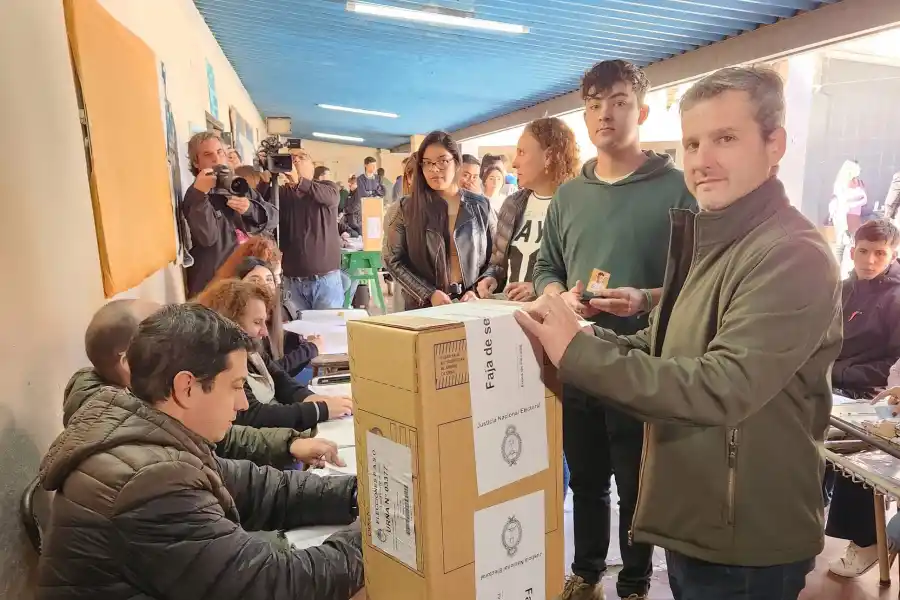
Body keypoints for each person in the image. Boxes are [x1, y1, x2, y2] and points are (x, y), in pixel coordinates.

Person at [516, 66, 842, 600]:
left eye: (726, 138)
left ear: (775, 143)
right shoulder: (716, 237)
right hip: (700, 517)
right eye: (692, 142)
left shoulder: (790, 254)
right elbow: (661, 344)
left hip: (746, 537)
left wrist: (578, 352)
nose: (702, 159)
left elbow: (720, 386)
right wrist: (575, 340)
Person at [37, 303, 364, 599]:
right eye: (235, 386)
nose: (242, 403)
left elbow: (258, 488)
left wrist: (359, 494)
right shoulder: (148, 482)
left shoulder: (155, 435)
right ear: (187, 388)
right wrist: (379, 535)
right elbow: (271, 584)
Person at [528, 60, 696, 600]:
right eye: (595, 104)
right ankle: (586, 571)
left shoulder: (677, 190)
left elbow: (701, 282)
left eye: (619, 101)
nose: (606, 114)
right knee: (587, 478)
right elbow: (545, 266)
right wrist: (557, 296)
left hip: (643, 364)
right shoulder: (571, 195)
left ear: (641, 111)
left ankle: (636, 580)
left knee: (636, 481)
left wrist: (644, 298)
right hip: (576, 355)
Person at [72, 299, 341, 468]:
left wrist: (288, 444)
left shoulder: (142, 407)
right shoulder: (139, 456)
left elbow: (227, 443)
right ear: (129, 362)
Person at [196, 279, 353, 430]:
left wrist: (311, 398)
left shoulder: (252, 351)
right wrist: (319, 410)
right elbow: (254, 415)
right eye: (257, 322)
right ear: (230, 322)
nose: (264, 332)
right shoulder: (222, 365)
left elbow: (281, 380)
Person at [383, 131, 495, 309]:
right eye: (427, 163)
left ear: (456, 161)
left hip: (471, 306)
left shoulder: (480, 206)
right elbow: (392, 259)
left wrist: (478, 289)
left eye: (442, 161)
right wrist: (428, 293)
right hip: (423, 308)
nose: (434, 169)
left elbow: (496, 258)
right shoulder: (405, 208)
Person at [478, 117, 580, 303]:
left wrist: (541, 288)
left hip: (555, 320)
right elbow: (498, 263)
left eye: (522, 152)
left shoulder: (577, 205)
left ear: (549, 156)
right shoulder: (512, 204)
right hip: (509, 317)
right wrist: (490, 277)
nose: (515, 162)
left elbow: (584, 272)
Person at [183, 132, 278, 297]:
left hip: (247, 281)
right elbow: (207, 237)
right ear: (196, 163)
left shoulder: (238, 185)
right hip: (214, 287)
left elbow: (273, 218)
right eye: (208, 154)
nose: (216, 159)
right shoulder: (195, 195)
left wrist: (250, 209)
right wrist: (200, 194)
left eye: (220, 152)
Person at [258, 149, 345, 311]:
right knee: (296, 333)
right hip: (292, 282)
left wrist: (300, 182)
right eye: (291, 159)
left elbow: (330, 197)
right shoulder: (281, 194)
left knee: (328, 331)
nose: (296, 161)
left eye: (302, 157)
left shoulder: (327, 188)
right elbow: (260, 210)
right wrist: (265, 182)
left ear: (312, 166)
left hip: (326, 281)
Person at [832, 218, 900, 399]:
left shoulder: (896, 299)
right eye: (863, 251)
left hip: (867, 394)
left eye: (880, 253)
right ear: (852, 252)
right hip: (823, 382)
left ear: (892, 257)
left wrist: (840, 372)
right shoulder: (839, 290)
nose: (869, 261)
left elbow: (896, 365)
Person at [235, 257, 322, 377]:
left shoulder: (275, 313)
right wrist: (309, 350)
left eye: (269, 280)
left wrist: (305, 346)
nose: (264, 285)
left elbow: (283, 375)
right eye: (254, 280)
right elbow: (267, 373)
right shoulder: (236, 319)